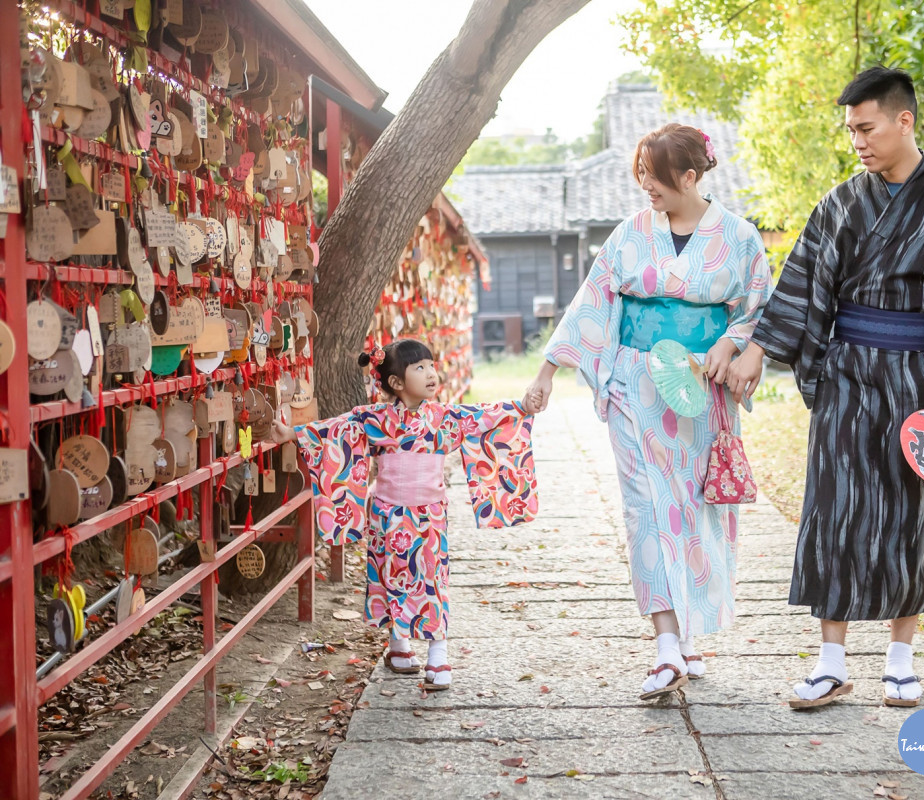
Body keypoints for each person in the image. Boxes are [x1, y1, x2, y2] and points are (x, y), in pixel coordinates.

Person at [727, 66, 924, 709]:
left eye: (866, 127)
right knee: (832, 509)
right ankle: (831, 660)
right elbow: (800, 285)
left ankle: (901, 659)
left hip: (923, 374)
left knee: (911, 514)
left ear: (903, 120)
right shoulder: (841, 203)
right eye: (850, 131)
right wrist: (756, 350)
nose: (857, 141)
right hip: (847, 372)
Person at [523, 124, 772, 700]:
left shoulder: (738, 237)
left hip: (701, 386)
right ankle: (665, 645)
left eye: (655, 180)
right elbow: (593, 299)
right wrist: (548, 369)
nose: (646, 190)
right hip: (635, 384)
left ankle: (688, 635)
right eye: (641, 179)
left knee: (698, 507)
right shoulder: (630, 234)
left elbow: (759, 306)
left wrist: (729, 345)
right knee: (645, 509)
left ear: (690, 177)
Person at [274, 339, 538, 691]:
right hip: (385, 516)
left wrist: (521, 406)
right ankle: (398, 644)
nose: (431, 373)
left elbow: (484, 417)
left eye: (431, 365)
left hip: (429, 517)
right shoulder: (373, 419)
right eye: (420, 368)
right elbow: (335, 431)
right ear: (396, 383)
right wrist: (292, 433)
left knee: (431, 579)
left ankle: (437, 652)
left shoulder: (444, 417)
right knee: (390, 577)